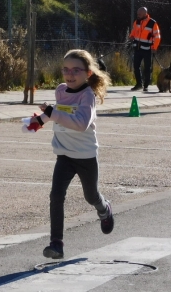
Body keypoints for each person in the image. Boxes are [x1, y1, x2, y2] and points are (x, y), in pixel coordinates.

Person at [34, 49, 114, 259]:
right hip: (64, 155)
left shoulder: (88, 95)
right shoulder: (61, 90)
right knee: (56, 196)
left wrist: (53, 113)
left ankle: (104, 208)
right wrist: (37, 122)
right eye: (66, 69)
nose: (70, 74)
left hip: (85, 156)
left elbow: (80, 124)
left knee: (91, 196)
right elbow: (57, 114)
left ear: (87, 73)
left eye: (76, 70)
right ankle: (56, 244)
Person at [129, 7, 161, 92]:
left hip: (147, 49)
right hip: (137, 48)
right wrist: (131, 36)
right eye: (137, 14)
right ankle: (139, 84)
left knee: (147, 68)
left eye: (139, 14)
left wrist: (155, 47)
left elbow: (157, 37)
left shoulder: (152, 23)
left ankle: (146, 85)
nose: (138, 15)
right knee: (136, 66)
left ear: (144, 14)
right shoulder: (137, 22)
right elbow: (134, 31)